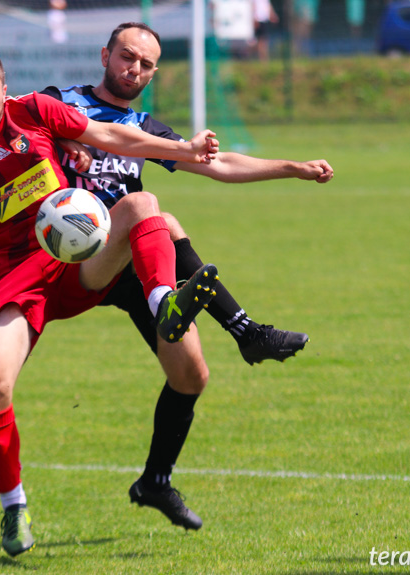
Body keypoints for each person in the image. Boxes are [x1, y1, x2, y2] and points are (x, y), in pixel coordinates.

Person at [0, 45, 222, 558]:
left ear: (5, 87)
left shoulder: (34, 111)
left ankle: (163, 302)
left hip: (78, 261)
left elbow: (110, 134)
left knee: (140, 204)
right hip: (16, 280)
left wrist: (183, 150)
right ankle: (13, 504)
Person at [41, 21, 333, 529]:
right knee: (149, 208)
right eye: (126, 57)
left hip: (131, 261)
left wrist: (294, 166)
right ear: (105, 54)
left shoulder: (147, 128)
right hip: (70, 255)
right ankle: (247, 331)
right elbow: (17, 129)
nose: (134, 69)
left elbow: (219, 165)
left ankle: (154, 481)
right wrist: (60, 142)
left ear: (154, 73)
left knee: (191, 375)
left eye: (146, 64)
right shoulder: (57, 102)